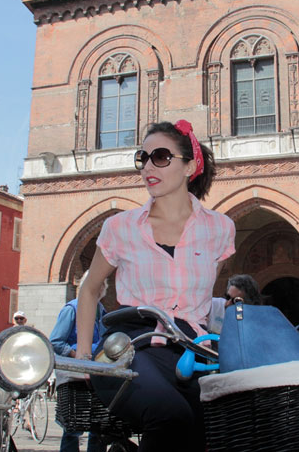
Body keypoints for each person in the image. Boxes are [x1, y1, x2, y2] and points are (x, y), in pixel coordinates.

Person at [75, 120, 235, 452]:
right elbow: (89, 289)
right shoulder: (120, 227)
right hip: (128, 345)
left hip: (191, 349)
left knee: (203, 435)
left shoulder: (221, 229)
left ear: (189, 166)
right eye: (143, 158)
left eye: (160, 157)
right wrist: (83, 355)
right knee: (169, 414)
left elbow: (203, 297)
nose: (148, 166)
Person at [50, 273, 107, 452]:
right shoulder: (72, 309)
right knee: (73, 427)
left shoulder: (102, 311)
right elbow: (56, 342)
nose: (100, 288)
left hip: (98, 373)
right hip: (74, 374)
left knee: (99, 426)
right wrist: (76, 355)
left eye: (102, 284)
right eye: (96, 283)